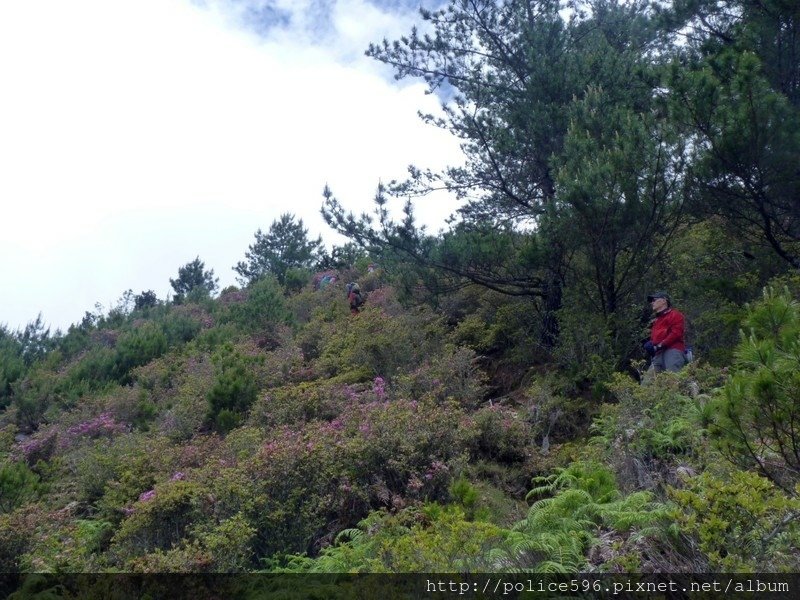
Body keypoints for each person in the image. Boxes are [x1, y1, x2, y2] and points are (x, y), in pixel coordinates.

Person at [643, 291, 686, 374]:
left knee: (673, 382)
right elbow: (657, 337)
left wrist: (660, 345)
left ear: (664, 301)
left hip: (673, 351)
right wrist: (651, 344)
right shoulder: (657, 320)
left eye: (654, 300)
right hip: (658, 354)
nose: (652, 303)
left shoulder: (675, 315)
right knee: (647, 384)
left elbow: (676, 333)